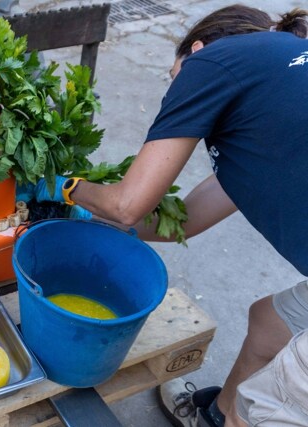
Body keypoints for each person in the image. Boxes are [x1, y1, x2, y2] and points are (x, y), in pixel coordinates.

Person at [42, 4, 308, 427]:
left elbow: (128, 204)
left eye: (173, 80)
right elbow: (186, 221)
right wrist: (97, 220)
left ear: (196, 51)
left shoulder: (213, 62)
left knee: (260, 411)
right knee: (269, 322)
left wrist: (68, 187)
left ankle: (237, 417)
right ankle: (216, 415)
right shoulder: (273, 105)